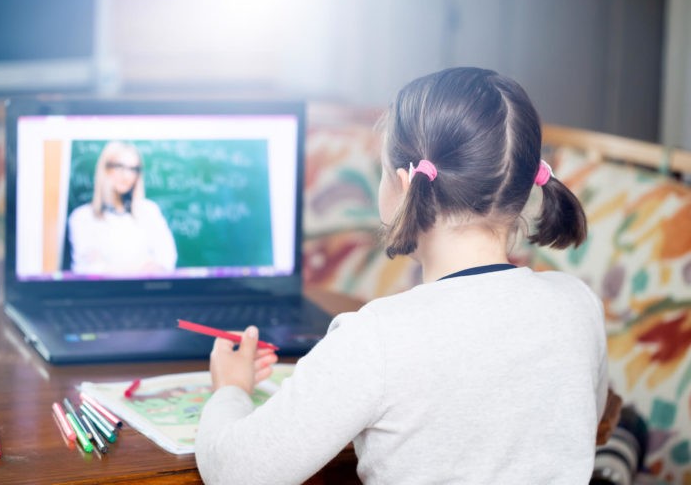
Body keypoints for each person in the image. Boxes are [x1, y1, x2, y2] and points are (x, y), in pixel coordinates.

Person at [194, 67, 610, 484]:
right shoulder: (577, 304)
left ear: (404, 185)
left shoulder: (375, 340)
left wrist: (230, 389)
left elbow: (235, 474)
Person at [67, 140, 177, 275]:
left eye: (133, 169)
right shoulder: (82, 217)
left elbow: (166, 259)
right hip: (105, 294)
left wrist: (110, 267)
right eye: (120, 167)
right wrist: (142, 265)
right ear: (105, 169)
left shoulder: (149, 211)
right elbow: (87, 270)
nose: (127, 176)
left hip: (148, 293)